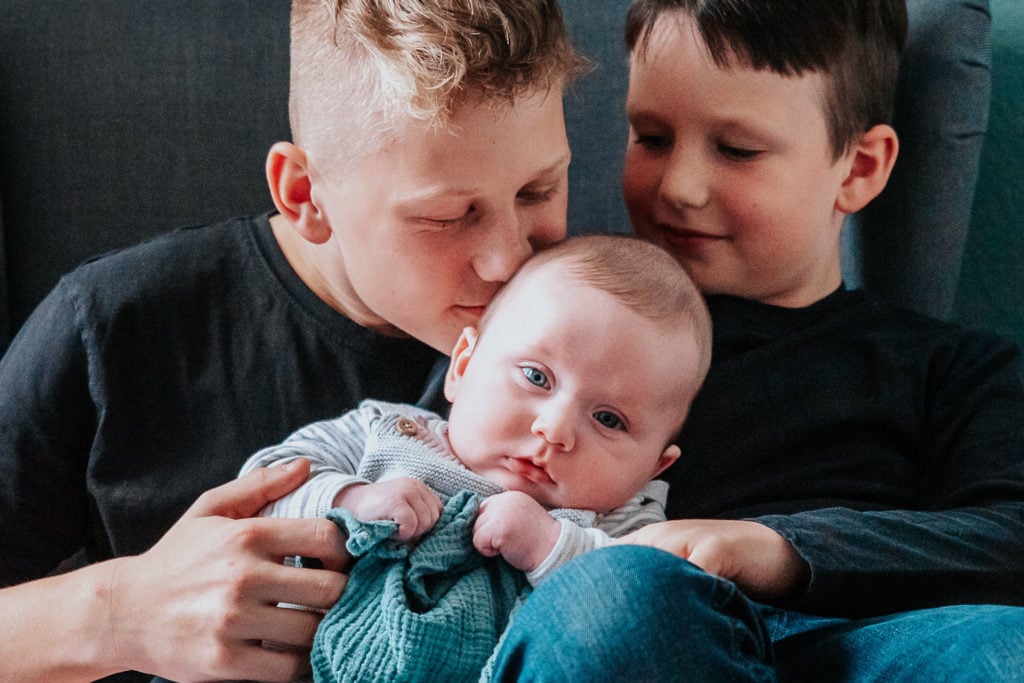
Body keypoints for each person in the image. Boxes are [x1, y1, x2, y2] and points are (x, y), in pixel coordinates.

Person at [0, 1, 585, 681]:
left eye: (539, 190)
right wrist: (117, 616)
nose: (508, 259)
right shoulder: (113, 326)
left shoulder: (608, 333)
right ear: (305, 194)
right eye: (448, 215)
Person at [488, 1, 1024, 680]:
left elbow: (1009, 534)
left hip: (867, 643)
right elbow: (415, 444)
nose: (679, 187)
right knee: (615, 598)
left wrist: (779, 548)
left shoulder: (953, 367)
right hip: (646, 625)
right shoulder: (545, 317)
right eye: (651, 137)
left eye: (737, 150)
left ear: (858, 168)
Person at [242, 234, 711, 681]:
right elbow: (262, 487)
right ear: (462, 366)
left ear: (654, 467)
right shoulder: (387, 433)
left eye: (609, 419)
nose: (554, 430)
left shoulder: (624, 526)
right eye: (536, 377)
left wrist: (549, 546)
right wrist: (352, 498)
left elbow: (643, 611)